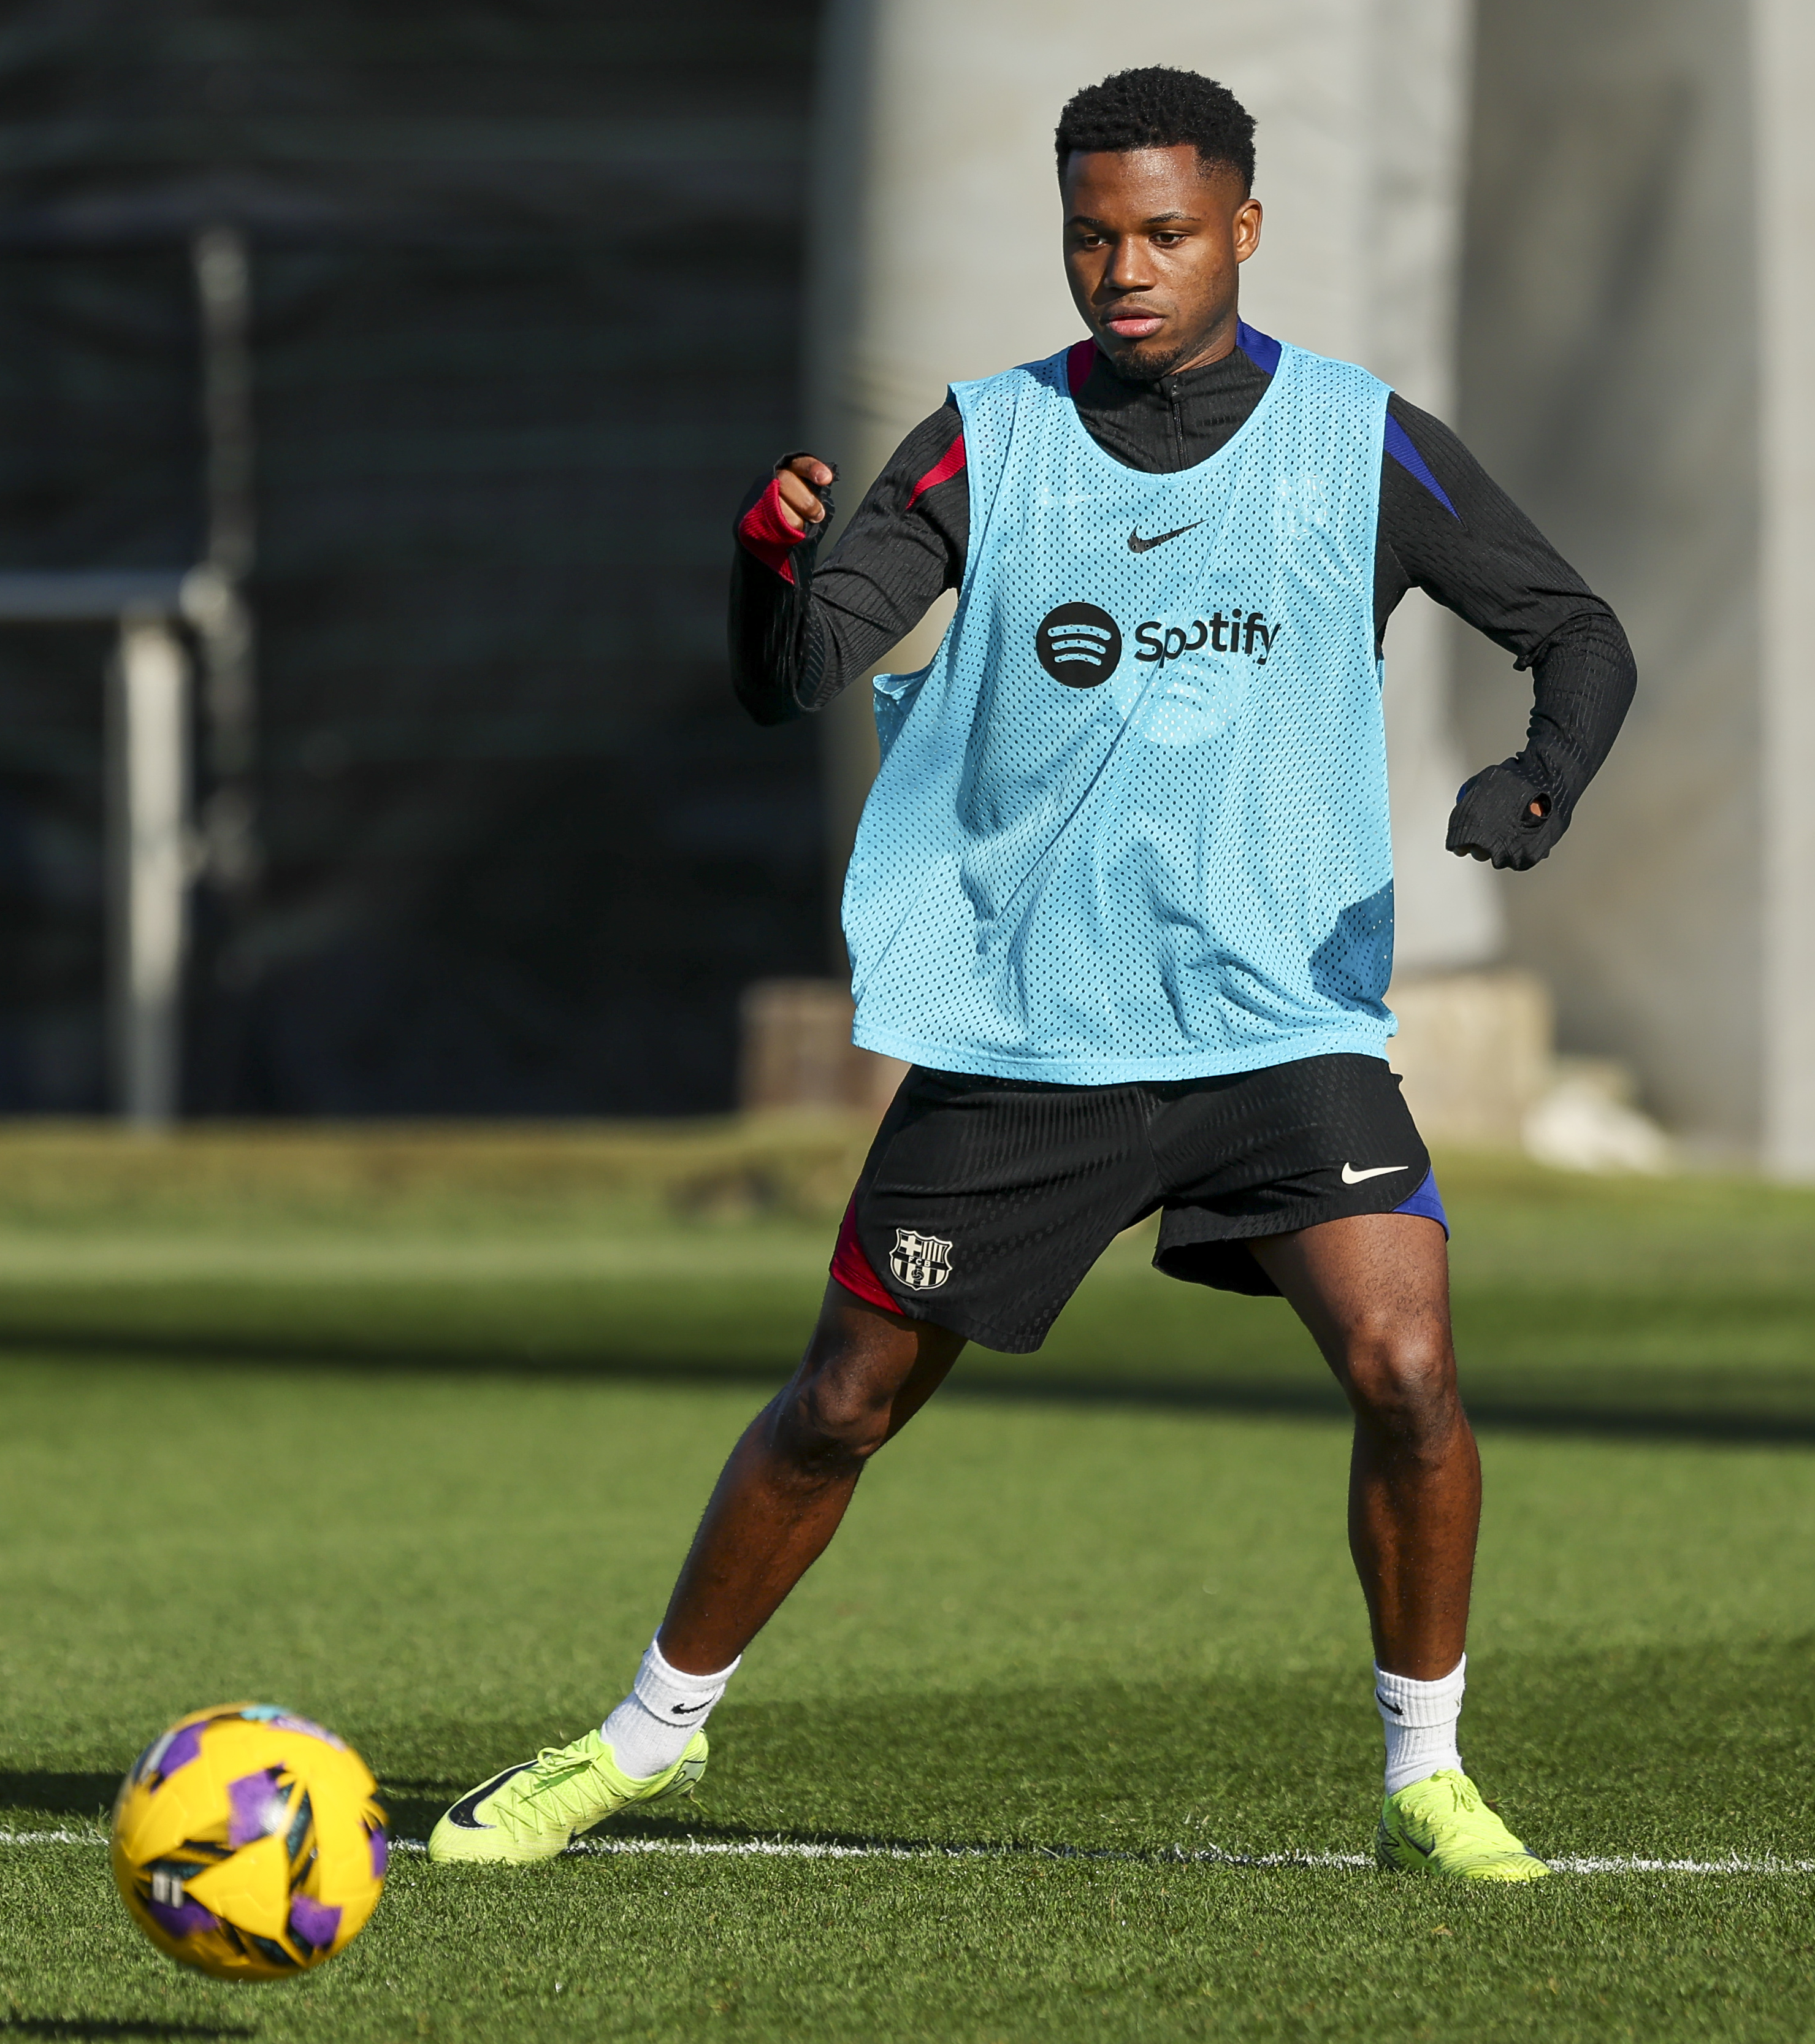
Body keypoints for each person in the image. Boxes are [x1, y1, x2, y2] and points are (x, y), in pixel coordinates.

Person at [430, 64, 1634, 1885]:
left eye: (1163, 231)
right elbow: (801, 669)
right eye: (1092, 234)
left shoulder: (1360, 439)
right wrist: (768, 572)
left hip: (1275, 1026)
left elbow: (1578, 632)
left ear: (1243, 226)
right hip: (1026, 1030)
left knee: (1406, 1368)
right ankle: (642, 1740)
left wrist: (1542, 776)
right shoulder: (984, 441)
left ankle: (1425, 1777)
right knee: (837, 1405)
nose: (1124, 267)